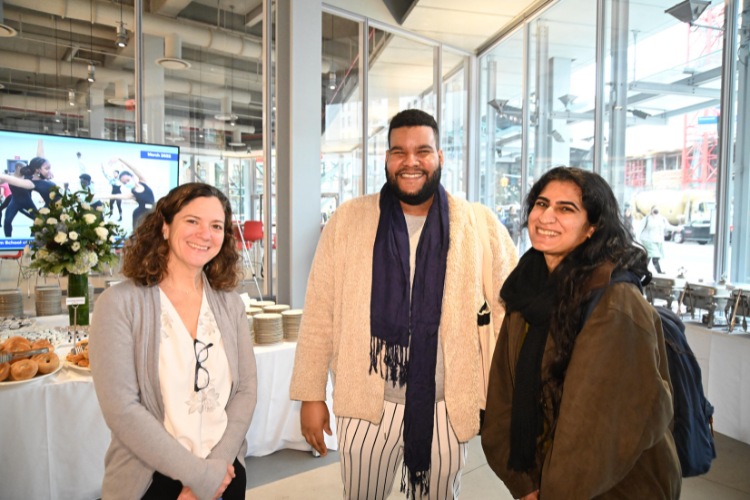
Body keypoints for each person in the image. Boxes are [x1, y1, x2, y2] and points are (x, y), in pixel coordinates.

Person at [290, 109, 518, 500]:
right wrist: (311, 395)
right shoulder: (349, 220)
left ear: (440, 157)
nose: (410, 161)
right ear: (386, 159)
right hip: (365, 405)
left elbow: (508, 311)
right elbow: (319, 312)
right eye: (399, 151)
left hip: (447, 407)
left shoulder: (477, 223)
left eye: (422, 151)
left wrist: (502, 394)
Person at [481, 167, 681, 500]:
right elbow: (503, 392)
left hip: (617, 486)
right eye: (541, 204)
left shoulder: (614, 303)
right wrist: (524, 483)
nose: (546, 216)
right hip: (545, 480)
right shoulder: (526, 287)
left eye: (566, 209)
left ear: (592, 228)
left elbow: (596, 433)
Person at [89, 183, 257, 500]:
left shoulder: (230, 304)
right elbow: (123, 411)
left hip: (226, 473)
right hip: (152, 481)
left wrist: (217, 467)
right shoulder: (119, 304)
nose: (205, 234)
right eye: (192, 221)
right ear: (165, 227)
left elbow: (246, 389)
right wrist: (198, 478)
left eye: (216, 226)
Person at [94, 157, 155, 230]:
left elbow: (134, 168)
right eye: (124, 183)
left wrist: (119, 158)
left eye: (127, 180)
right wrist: (95, 196)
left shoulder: (143, 181)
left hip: (153, 212)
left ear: (132, 176)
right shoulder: (132, 194)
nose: (127, 183)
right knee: (141, 233)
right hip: (140, 215)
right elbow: (113, 196)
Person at [0, 157, 56, 237]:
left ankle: (35, 236)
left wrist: (47, 175)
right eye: (25, 168)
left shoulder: (28, 178)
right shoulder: (10, 177)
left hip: (27, 201)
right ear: (18, 168)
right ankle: (8, 239)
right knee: (7, 221)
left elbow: (40, 178)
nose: (27, 170)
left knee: (38, 219)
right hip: (14, 201)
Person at [638, 205, 682, 274]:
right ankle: (658, 271)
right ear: (651, 210)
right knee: (655, 255)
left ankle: (642, 270)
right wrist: (637, 239)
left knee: (649, 256)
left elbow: (668, 227)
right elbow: (640, 229)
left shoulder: (662, 219)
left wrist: (676, 228)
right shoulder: (647, 218)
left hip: (658, 241)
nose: (656, 211)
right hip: (648, 240)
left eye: (657, 209)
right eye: (654, 209)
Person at [0, 162, 30, 228]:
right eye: (24, 167)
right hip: (13, 199)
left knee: (35, 216)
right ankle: (7, 236)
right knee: (8, 220)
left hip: (24, 199)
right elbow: (1, 183)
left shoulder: (27, 177)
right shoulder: (10, 177)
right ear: (18, 167)